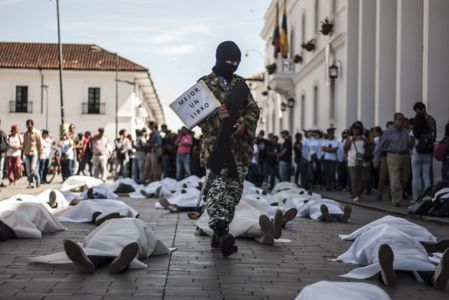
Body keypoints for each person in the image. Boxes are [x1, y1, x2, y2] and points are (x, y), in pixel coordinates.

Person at [196, 41, 260, 256]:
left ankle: (217, 234)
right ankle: (222, 231)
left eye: (236, 61)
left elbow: (253, 109)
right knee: (216, 191)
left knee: (233, 192)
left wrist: (244, 123)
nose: (233, 64)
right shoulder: (205, 84)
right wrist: (216, 117)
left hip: (239, 150)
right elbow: (195, 120)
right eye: (229, 60)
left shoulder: (240, 84)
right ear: (219, 58)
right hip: (216, 149)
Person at [374, 113, 411, 206]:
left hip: (405, 155)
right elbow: (381, 145)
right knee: (395, 178)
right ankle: (396, 200)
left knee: (404, 178)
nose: (401, 121)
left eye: (402, 119)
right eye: (399, 119)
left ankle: (394, 193)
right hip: (393, 155)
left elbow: (410, 144)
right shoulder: (388, 131)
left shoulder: (406, 131)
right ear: (394, 120)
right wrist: (376, 158)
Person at [410, 113, 433, 203]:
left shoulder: (414, 130)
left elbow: (410, 142)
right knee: (426, 176)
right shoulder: (428, 130)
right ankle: (427, 196)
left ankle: (415, 198)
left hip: (416, 154)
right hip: (427, 154)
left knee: (415, 177)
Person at [344, 121, 369, 202]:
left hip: (362, 160)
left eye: (358, 129)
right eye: (355, 129)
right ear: (352, 129)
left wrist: (365, 140)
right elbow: (345, 148)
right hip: (352, 161)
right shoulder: (349, 138)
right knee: (354, 178)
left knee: (364, 179)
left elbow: (369, 146)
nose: (356, 131)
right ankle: (355, 194)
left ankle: (359, 192)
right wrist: (351, 140)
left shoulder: (364, 137)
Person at [22, 119, 42, 188]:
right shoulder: (25, 134)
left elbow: (40, 144)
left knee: (33, 168)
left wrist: (40, 154)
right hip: (27, 153)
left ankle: (38, 179)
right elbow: (24, 144)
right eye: (27, 124)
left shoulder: (37, 132)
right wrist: (22, 153)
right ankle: (31, 183)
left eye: (29, 124)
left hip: (34, 153)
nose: (28, 126)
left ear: (32, 125)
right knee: (28, 170)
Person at [0, 119, 8, 188]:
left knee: (1, 168)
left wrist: (5, 152)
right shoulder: (3, 132)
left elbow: (6, 144)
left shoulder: (3, 133)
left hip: (1, 153)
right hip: (2, 152)